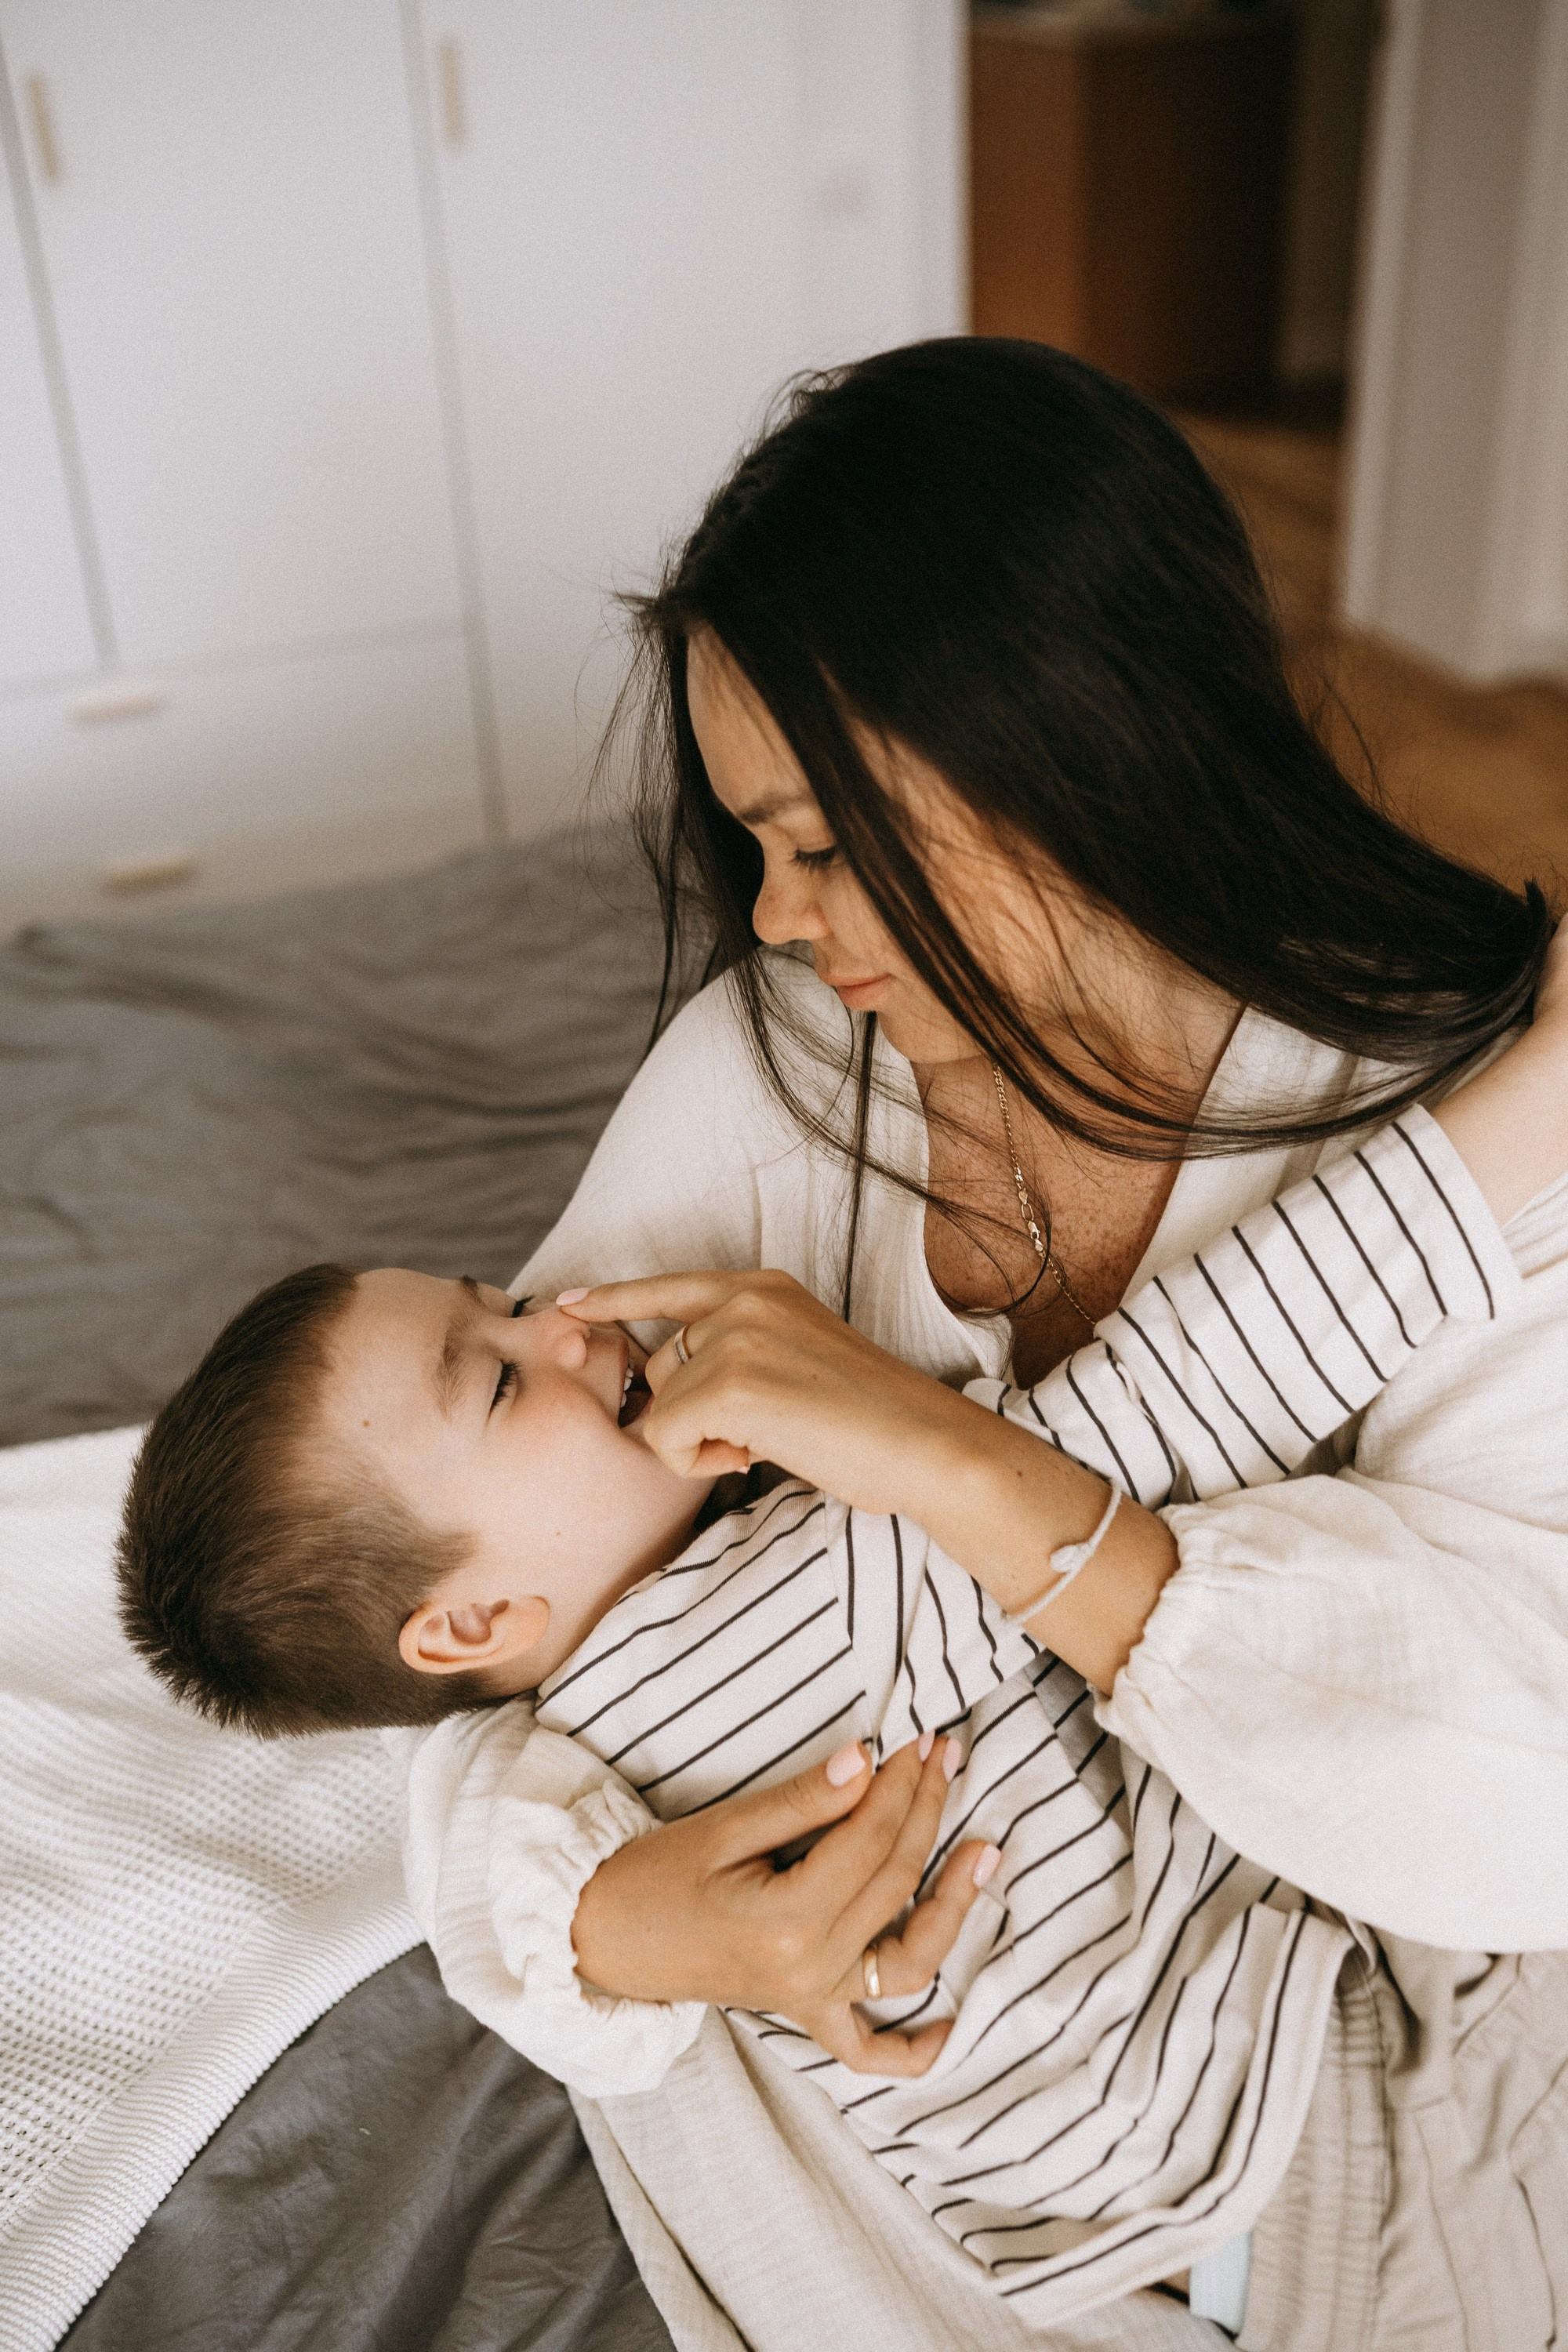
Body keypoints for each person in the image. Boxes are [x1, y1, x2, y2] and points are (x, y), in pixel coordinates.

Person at [385, 339, 1563, 2352]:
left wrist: (959, 1474)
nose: (775, 920)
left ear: (1077, 749)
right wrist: (606, 1918)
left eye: (824, 844)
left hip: (1340, 2110)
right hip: (961, 2211)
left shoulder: (1452, 1126)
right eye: (755, 845)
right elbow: (490, 1598)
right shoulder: (772, 1072)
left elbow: (1516, 1804)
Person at [120, 1024, 1553, 2326]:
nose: (565, 1317)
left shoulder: (589, 1746)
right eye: (498, 1378)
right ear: (472, 1622)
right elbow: (1180, 1394)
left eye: (504, 1296)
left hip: (1176, 2222)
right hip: (1318, 2150)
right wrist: (1532, 1108)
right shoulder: (769, 1627)